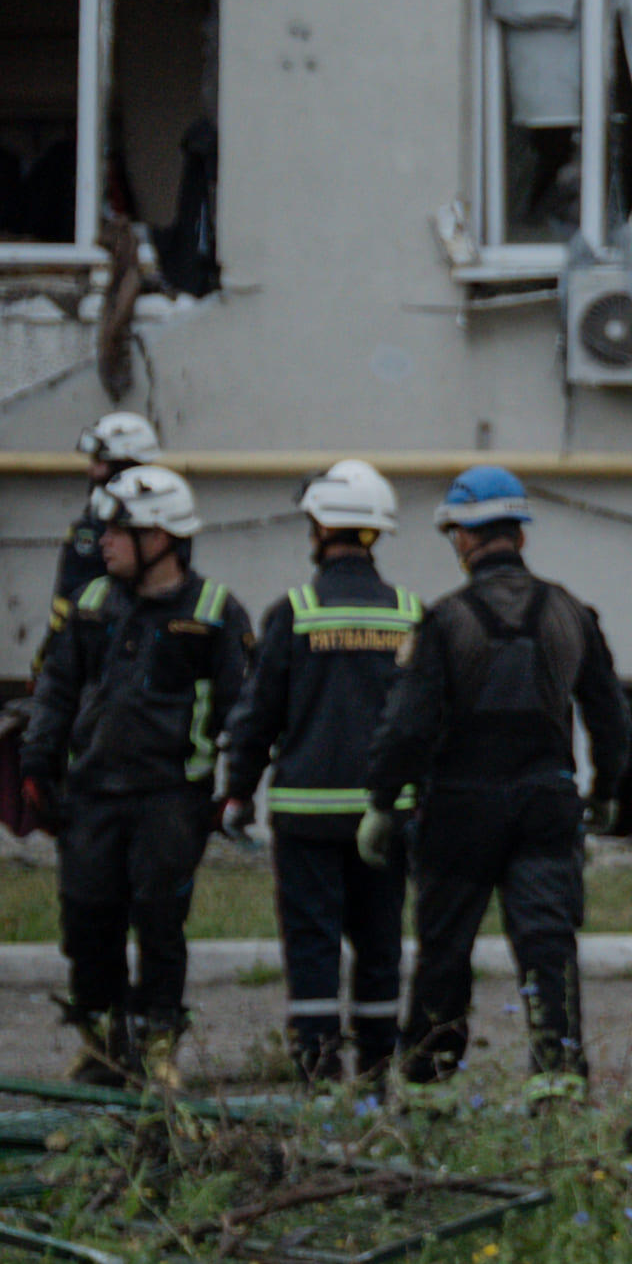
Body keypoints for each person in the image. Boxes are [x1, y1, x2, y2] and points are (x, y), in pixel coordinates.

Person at [367, 462, 631, 1088]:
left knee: (445, 950)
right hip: (546, 806)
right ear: (520, 534)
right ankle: (558, 1080)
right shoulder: (572, 613)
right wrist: (606, 791)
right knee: (547, 945)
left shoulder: (444, 620)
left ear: (463, 536)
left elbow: (408, 727)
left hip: (459, 812)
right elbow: (611, 718)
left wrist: (382, 801)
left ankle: (430, 1085)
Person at [27, 459, 232, 1085]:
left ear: (160, 537)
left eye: (117, 532)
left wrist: (233, 787)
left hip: (170, 797)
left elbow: (239, 709)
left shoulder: (214, 611)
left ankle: (158, 1043)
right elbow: (57, 689)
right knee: (87, 918)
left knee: (160, 920)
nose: (104, 544)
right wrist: (38, 762)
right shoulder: (91, 603)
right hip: (92, 794)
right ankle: (103, 1046)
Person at [224, 461, 421, 1084]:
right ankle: (377, 1073)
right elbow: (425, 720)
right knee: (380, 943)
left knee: (312, 944)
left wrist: (237, 793)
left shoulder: (295, 612)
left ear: (320, 528)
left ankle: (317, 1071)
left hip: (306, 816)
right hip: (385, 817)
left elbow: (257, 715)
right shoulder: (410, 614)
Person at [46, 408, 165, 632]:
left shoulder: (162, 522)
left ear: (125, 465)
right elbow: (68, 606)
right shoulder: (90, 529)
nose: (91, 470)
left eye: (99, 461)